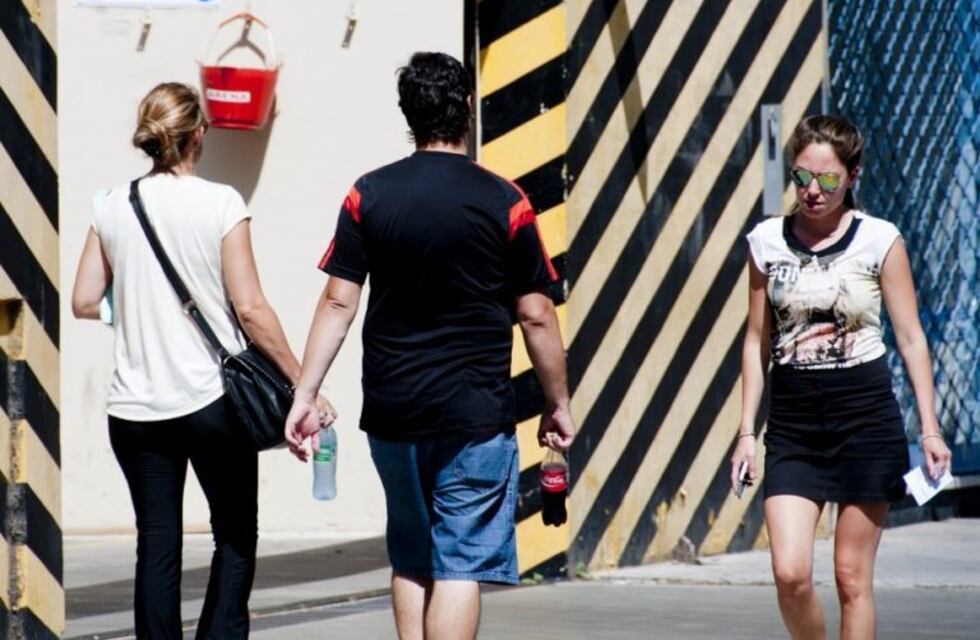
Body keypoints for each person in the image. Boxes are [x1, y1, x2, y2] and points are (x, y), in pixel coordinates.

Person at [284, 52, 575, 640]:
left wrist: (305, 394)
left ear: (408, 115)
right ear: (466, 108)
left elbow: (339, 302)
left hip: (393, 410)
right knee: (461, 561)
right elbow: (537, 315)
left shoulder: (369, 194)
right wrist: (558, 401)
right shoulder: (505, 201)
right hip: (474, 414)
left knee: (412, 556)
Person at [71, 82, 328, 639]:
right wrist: (302, 381)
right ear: (199, 136)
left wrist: (140, 308)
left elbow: (84, 300)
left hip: (134, 408)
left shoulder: (112, 205)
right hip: (213, 403)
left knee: (157, 542)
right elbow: (252, 309)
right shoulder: (221, 203)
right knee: (235, 532)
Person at [732, 115, 953, 640]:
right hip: (794, 424)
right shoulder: (766, 243)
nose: (812, 191)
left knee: (852, 579)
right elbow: (755, 341)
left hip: (865, 418)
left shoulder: (879, 240)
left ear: (852, 175)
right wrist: (746, 433)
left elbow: (911, 337)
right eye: (801, 177)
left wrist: (929, 427)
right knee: (790, 574)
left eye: (827, 180)